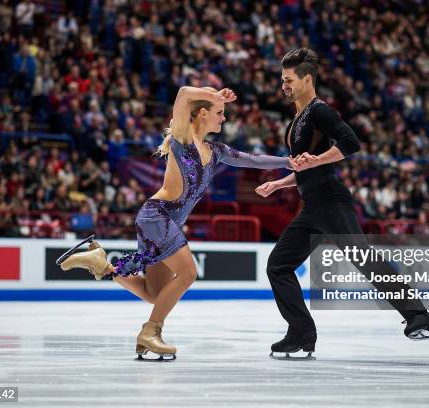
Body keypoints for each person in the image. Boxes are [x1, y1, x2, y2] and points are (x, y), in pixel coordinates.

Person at [59, 86, 291, 361]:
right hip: (158, 216)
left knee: (155, 294)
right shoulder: (184, 137)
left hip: (160, 222)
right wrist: (213, 94)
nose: (224, 118)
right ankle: (150, 332)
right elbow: (182, 93)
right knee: (189, 273)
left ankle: (102, 264)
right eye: (219, 112)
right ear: (203, 113)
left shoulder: (215, 151)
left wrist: (289, 162)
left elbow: (254, 160)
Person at [255, 48, 429, 359]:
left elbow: (350, 142)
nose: (283, 85)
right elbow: (308, 167)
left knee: (365, 259)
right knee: (278, 265)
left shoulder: (319, 111)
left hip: (330, 200)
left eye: (288, 80)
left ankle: (419, 317)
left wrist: (316, 158)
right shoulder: (298, 119)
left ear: (306, 79)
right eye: (282, 80)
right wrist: (279, 182)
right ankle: (301, 333)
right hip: (313, 207)